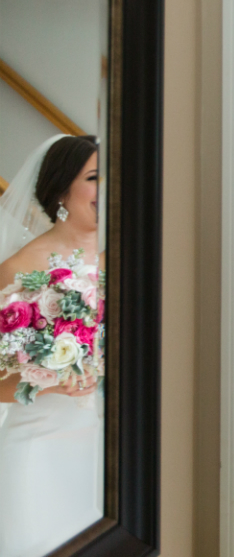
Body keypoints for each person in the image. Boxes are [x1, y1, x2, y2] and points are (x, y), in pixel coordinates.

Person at [0, 134, 104, 556]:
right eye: (95, 177)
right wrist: (50, 379)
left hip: (113, 447)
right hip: (40, 445)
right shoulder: (20, 267)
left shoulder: (138, 257)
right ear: (62, 188)